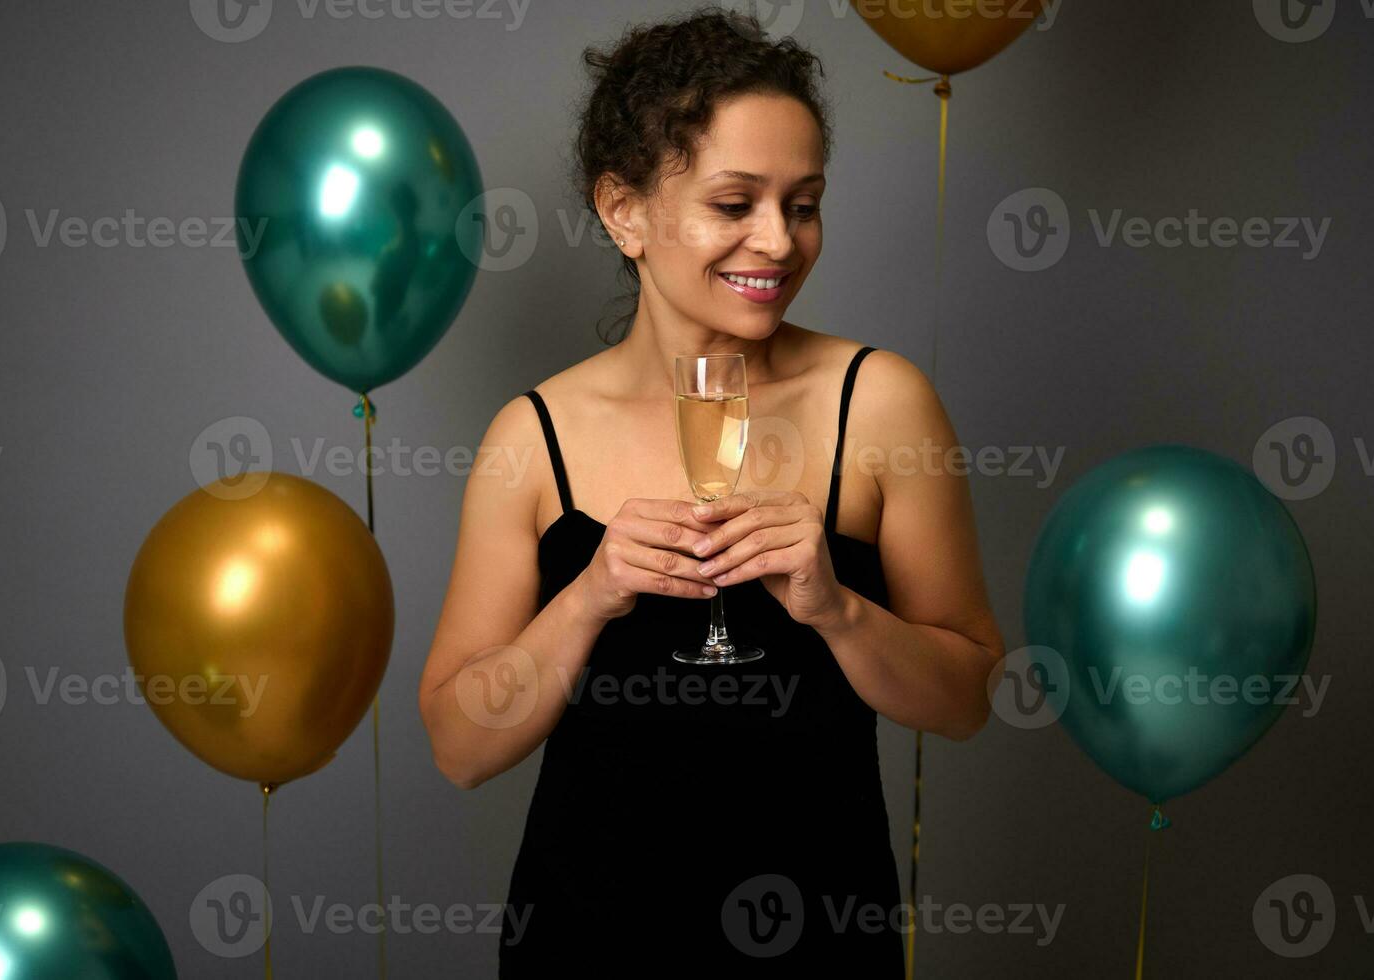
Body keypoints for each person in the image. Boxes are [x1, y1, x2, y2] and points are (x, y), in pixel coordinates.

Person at [418, 7, 1005, 974]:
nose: (777, 242)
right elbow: (457, 746)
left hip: (818, 934)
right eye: (736, 205)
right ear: (625, 212)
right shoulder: (535, 436)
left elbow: (970, 697)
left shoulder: (881, 403)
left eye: (803, 203)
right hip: (589, 937)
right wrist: (592, 595)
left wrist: (840, 612)